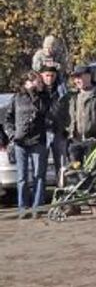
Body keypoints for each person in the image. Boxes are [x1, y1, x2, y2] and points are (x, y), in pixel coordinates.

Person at [4, 71, 49, 218]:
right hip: (20, 141)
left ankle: (37, 207)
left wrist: (36, 94)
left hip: (38, 140)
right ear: (29, 82)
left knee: (39, 175)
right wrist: (12, 134)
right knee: (22, 177)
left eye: (41, 83)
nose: (40, 84)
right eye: (38, 82)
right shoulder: (17, 98)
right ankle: (23, 207)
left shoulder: (43, 97)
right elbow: (8, 118)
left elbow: (44, 111)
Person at [68, 65, 96, 165]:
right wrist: (68, 133)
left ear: (88, 76)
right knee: (76, 173)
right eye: (75, 78)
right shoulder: (73, 95)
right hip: (75, 141)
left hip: (93, 141)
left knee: (92, 172)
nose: (77, 81)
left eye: (79, 77)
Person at [40, 65, 70, 184]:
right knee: (41, 166)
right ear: (42, 76)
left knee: (61, 166)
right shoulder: (39, 91)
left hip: (59, 131)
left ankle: (62, 192)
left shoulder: (61, 91)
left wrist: (66, 127)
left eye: (52, 75)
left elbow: (67, 110)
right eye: (47, 75)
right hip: (43, 132)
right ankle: (40, 196)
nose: (49, 78)